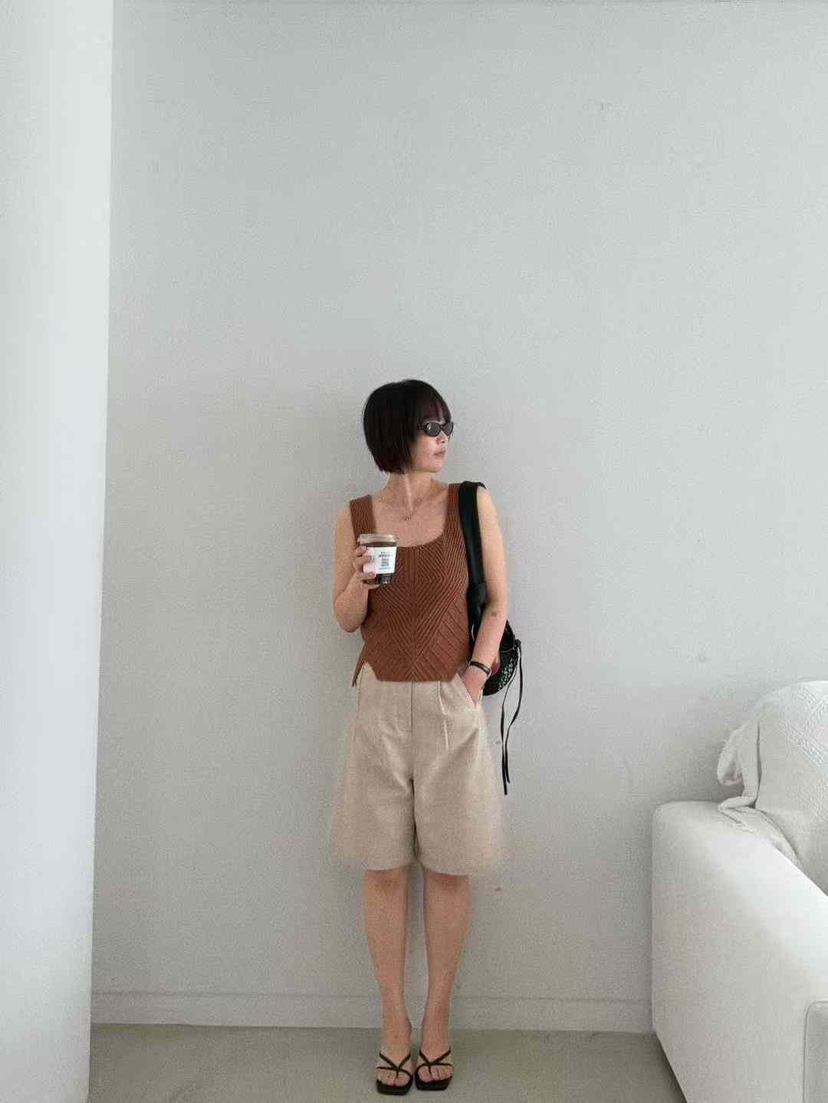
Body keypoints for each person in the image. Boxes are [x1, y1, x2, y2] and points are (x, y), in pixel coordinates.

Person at [328, 379, 510, 1093]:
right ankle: (393, 1024)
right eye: (431, 425)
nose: (444, 436)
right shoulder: (356, 516)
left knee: (450, 867)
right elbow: (345, 619)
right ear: (394, 432)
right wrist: (361, 581)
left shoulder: (470, 502)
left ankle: (437, 1021)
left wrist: (473, 679)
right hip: (378, 703)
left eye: (446, 424)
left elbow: (497, 603)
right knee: (382, 869)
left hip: (450, 703)